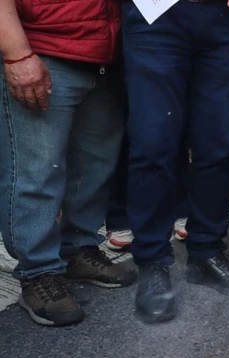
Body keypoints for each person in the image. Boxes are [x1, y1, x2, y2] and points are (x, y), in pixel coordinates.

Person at [121, 0, 229, 323]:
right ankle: (152, 260)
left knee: (219, 142)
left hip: (225, 16)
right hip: (157, 15)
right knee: (152, 143)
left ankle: (206, 251)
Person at [0, 0, 136, 327]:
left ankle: (78, 250)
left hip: (106, 52)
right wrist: (17, 53)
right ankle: (38, 273)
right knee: (36, 172)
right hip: (43, 47)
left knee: (93, 168)